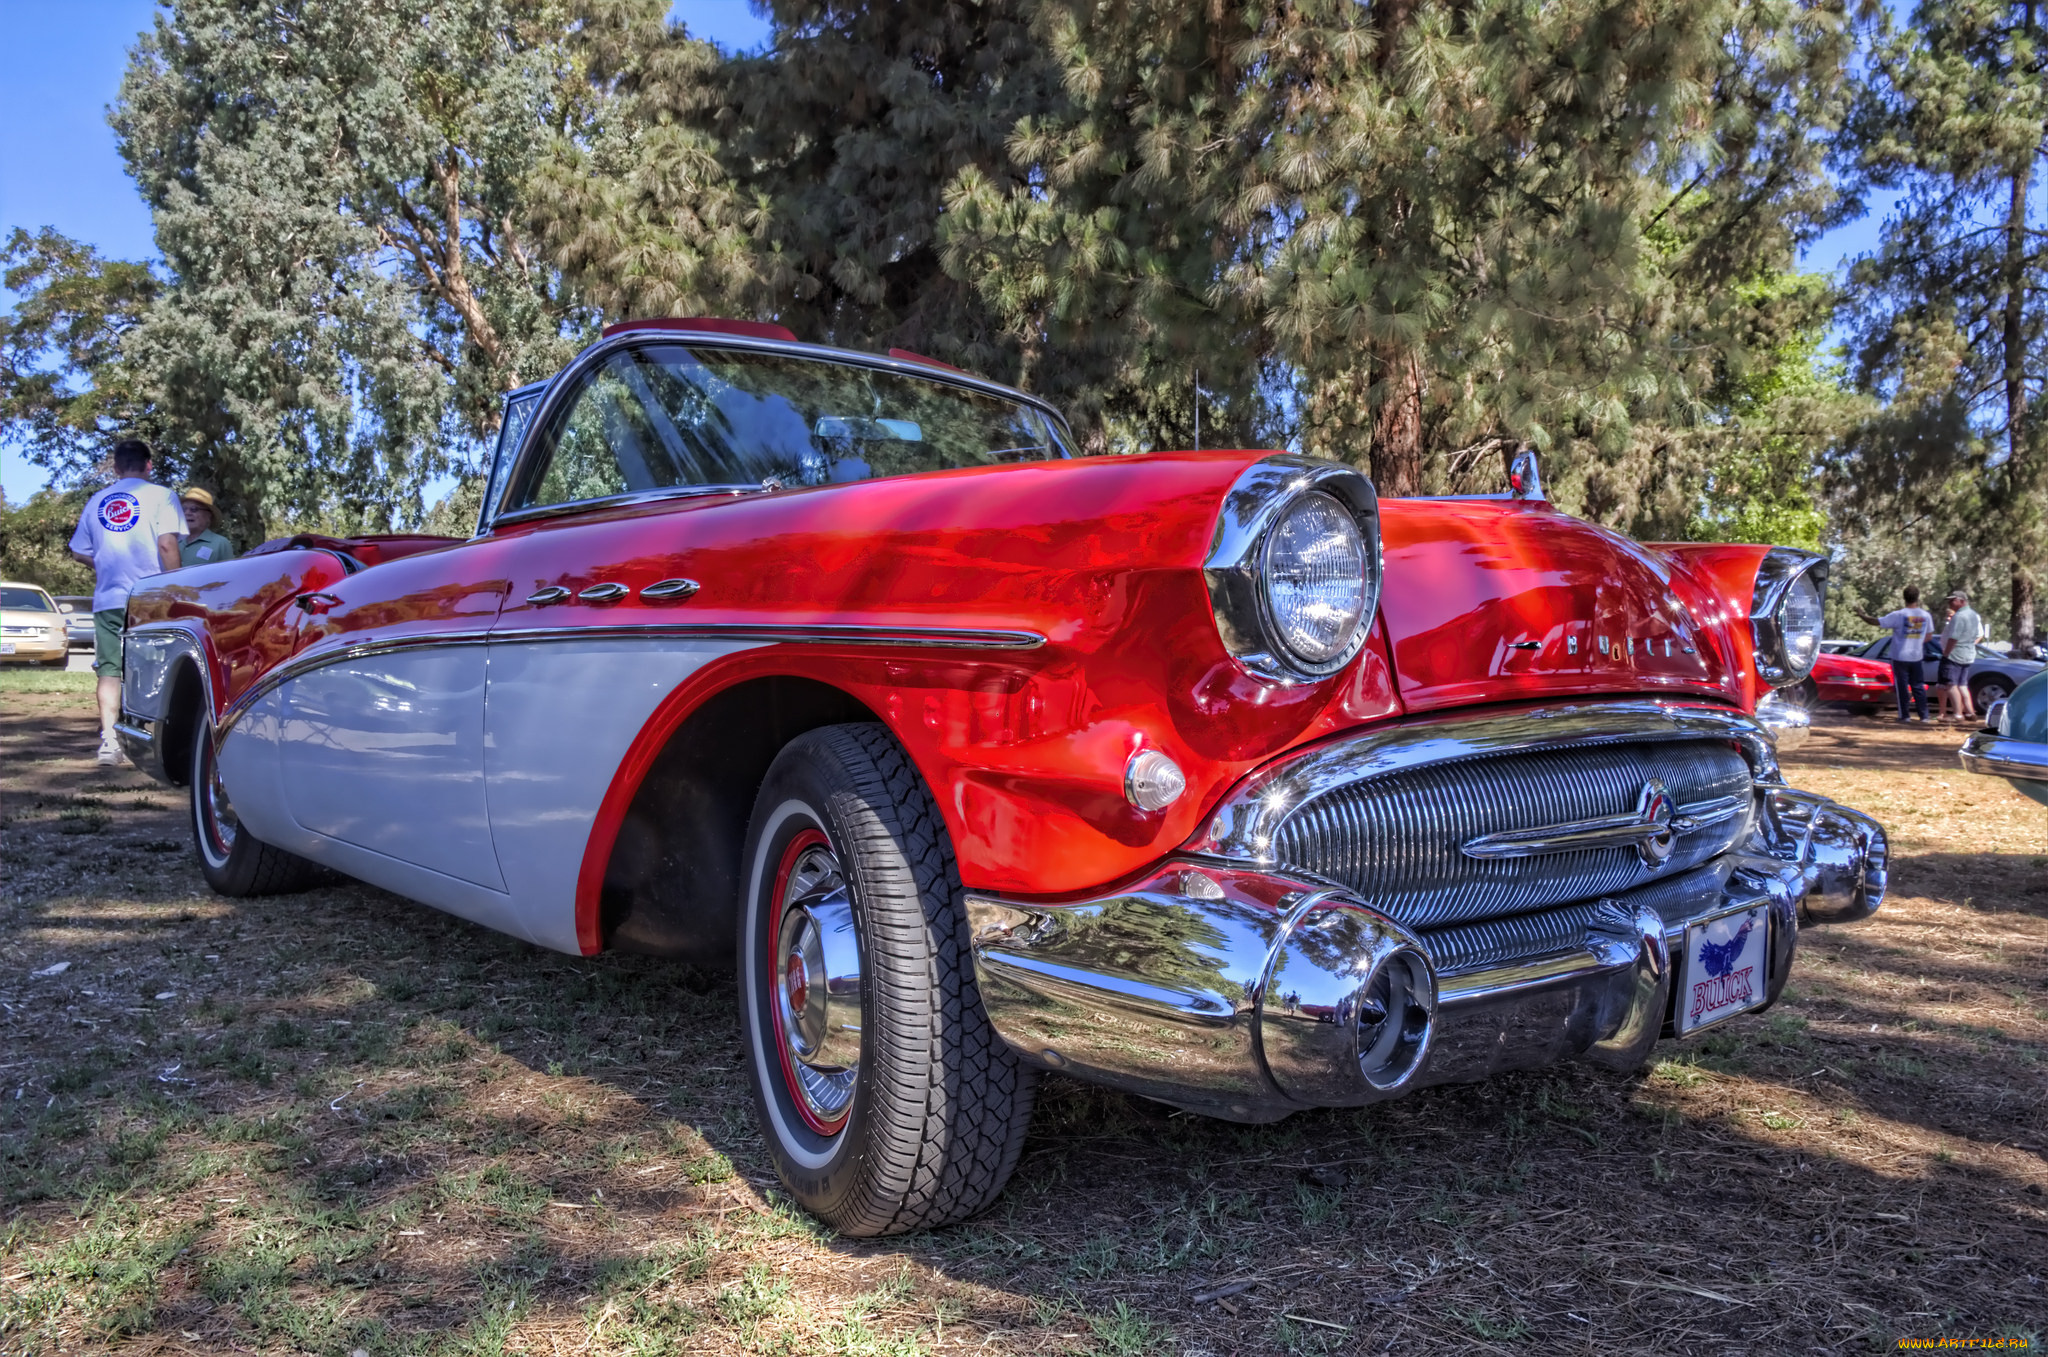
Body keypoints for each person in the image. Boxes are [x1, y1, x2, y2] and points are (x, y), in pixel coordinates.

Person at [68, 439, 185, 765]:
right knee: (153, 667)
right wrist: (175, 588)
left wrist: (104, 564)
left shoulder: (96, 501)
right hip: (149, 598)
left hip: (108, 598)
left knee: (109, 670)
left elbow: (79, 550)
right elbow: (166, 545)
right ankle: (146, 737)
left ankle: (109, 742)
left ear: (116, 468)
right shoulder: (162, 496)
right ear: (149, 465)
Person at [1856, 586, 1935, 723]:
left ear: (1904, 597)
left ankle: (1905, 716)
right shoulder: (1925, 615)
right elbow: (1929, 637)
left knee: (1902, 687)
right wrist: (1916, 640)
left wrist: (1862, 615)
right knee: (1918, 686)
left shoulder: (1898, 615)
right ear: (1918, 597)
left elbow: (1876, 622)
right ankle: (1924, 716)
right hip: (1916, 656)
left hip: (1900, 656)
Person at [1937, 590, 1983, 723]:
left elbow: (1954, 637)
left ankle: (1957, 714)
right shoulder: (1974, 615)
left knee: (1951, 685)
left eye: (1953, 600)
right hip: (1967, 654)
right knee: (1962, 685)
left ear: (1962, 601)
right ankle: (1969, 711)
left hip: (1954, 655)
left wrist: (1946, 652)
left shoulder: (1959, 616)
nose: (1950, 603)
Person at [178, 487, 236, 566]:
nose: (187, 513)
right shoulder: (174, 541)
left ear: (209, 516)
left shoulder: (221, 543)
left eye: (194, 509)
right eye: (183, 509)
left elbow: (229, 574)